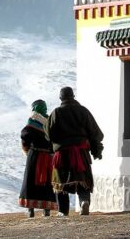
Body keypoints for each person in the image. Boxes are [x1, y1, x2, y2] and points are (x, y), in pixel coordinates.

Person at [48, 86, 103, 216]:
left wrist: (53, 146)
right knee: (82, 179)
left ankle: (63, 210)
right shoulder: (83, 111)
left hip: (62, 154)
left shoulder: (56, 113)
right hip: (80, 152)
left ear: (61, 98)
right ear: (73, 96)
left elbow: (49, 133)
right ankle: (84, 201)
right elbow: (95, 132)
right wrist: (97, 149)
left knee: (61, 182)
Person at [19, 99, 57, 217]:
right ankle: (47, 210)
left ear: (35, 108)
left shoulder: (33, 121)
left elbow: (25, 136)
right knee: (47, 183)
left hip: (34, 156)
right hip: (49, 157)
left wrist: (26, 149)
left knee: (30, 182)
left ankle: (30, 210)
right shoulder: (51, 122)